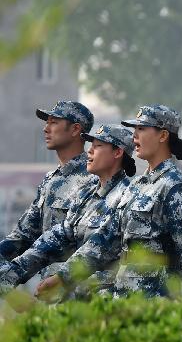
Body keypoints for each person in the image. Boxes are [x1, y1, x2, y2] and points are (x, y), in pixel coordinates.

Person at [35, 105, 182, 307]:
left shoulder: (174, 186)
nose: (134, 136)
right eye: (134, 129)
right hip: (123, 298)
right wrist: (63, 277)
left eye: (142, 129)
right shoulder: (136, 186)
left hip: (153, 302)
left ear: (163, 135)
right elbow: (105, 240)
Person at [0, 124, 135, 298]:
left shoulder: (127, 196)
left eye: (98, 146)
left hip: (107, 302)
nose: (90, 152)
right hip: (76, 300)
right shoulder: (86, 194)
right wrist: (12, 273)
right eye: (90, 146)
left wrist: (61, 278)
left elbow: (97, 248)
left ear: (117, 153)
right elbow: (56, 238)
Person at [0, 100, 95, 279]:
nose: (46, 129)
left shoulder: (93, 178)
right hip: (48, 291)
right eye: (47, 123)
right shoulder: (50, 180)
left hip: (79, 289)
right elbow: (24, 234)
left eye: (53, 123)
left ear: (75, 130)